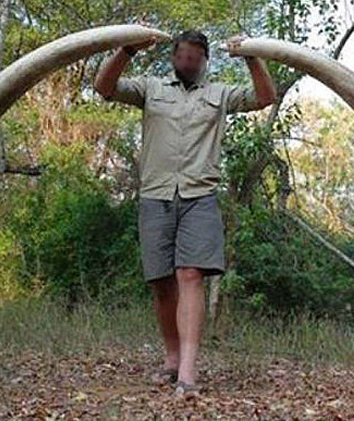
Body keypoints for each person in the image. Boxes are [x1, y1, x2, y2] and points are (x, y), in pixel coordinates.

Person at [93, 30, 276, 394]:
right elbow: (104, 87)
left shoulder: (219, 93)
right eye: (182, 58)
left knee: (190, 274)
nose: (187, 64)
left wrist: (252, 56)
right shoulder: (151, 88)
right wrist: (127, 49)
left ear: (204, 60)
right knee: (161, 282)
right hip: (155, 194)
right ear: (174, 57)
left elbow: (265, 97)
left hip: (200, 195)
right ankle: (173, 359)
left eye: (195, 59)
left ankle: (189, 373)